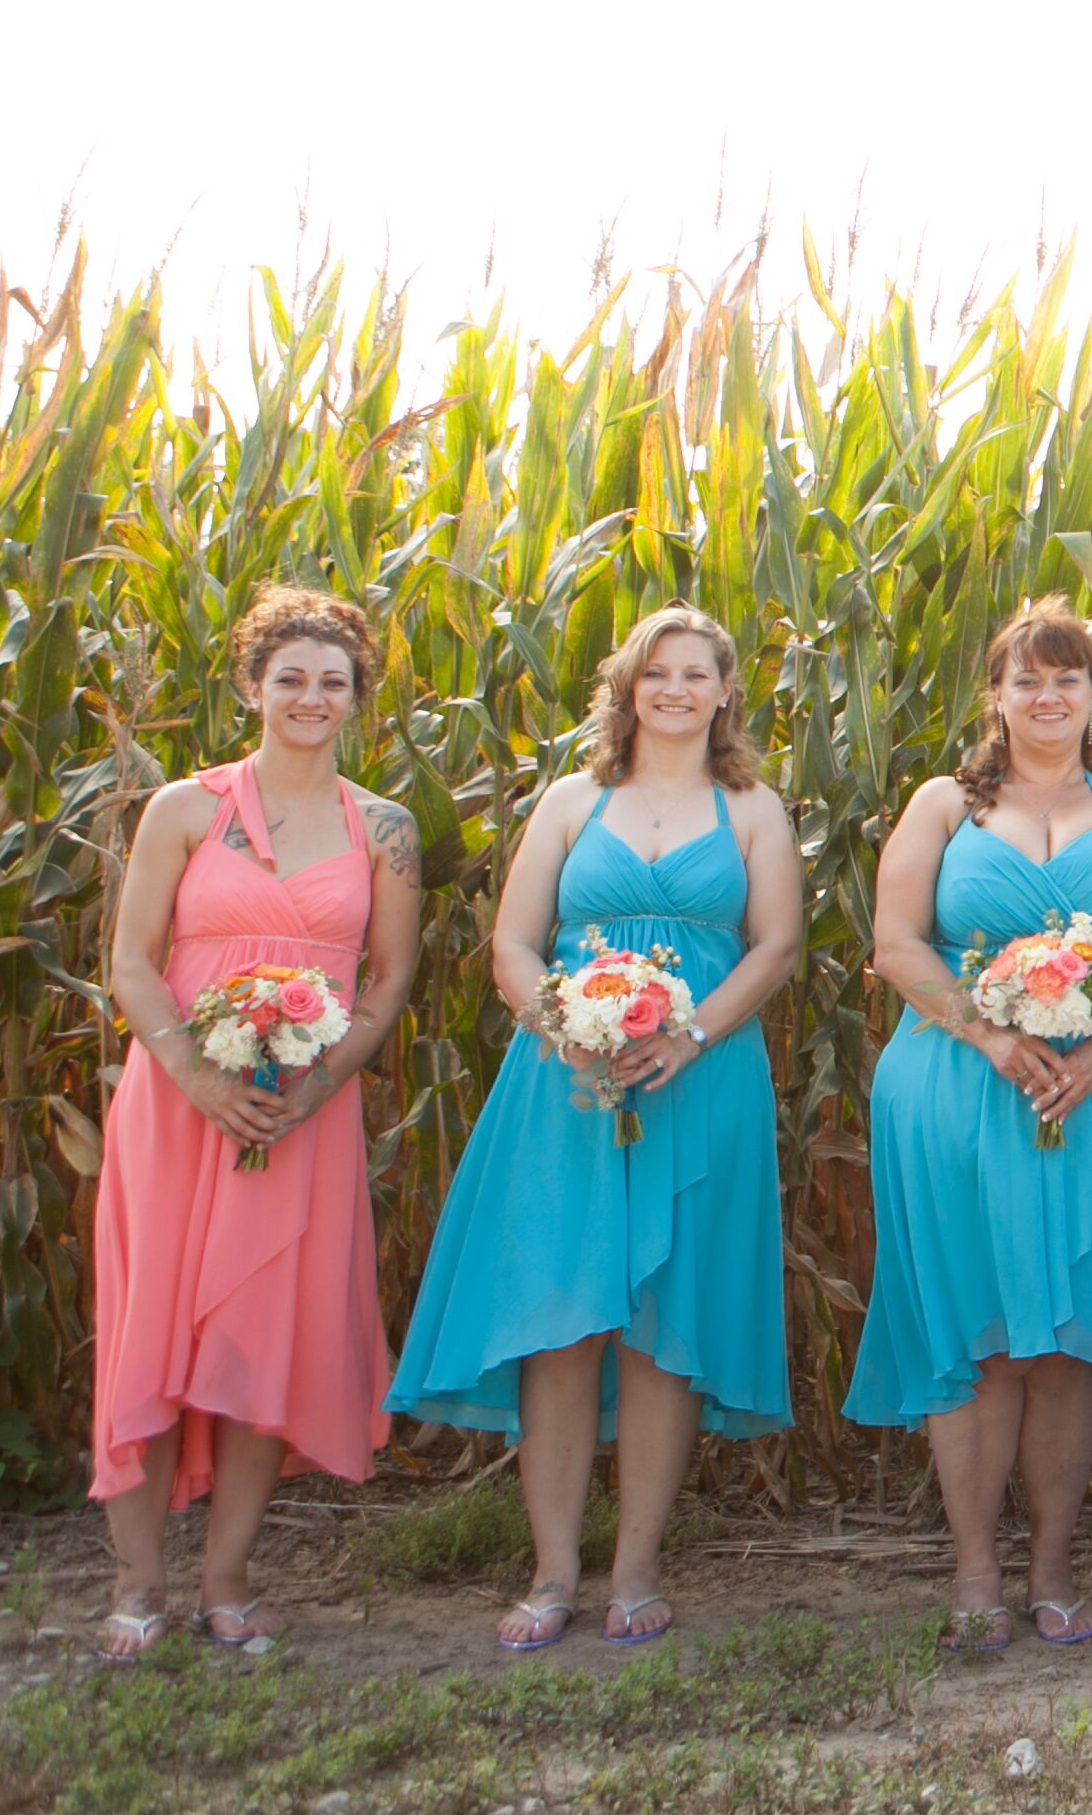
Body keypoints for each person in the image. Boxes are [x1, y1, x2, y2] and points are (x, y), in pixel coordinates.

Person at [389, 603, 804, 1650]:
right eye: (656, 671)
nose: (675, 689)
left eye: (696, 673)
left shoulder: (752, 808)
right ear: (629, 686)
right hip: (567, 1087)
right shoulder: (574, 800)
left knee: (667, 1326)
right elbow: (514, 945)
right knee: (562, 1321)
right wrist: (564, 1027)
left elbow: (776, 947)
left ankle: (635, 1570)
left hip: (697, 1080)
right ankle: (553, 1570)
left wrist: (690, 1037)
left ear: (724, 693)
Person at [845, 600, 1092, 1655]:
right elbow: (898, 943)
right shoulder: (943, 808)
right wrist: (990, 1039)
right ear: (995, 696)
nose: (1049, 698)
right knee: (982, 1337)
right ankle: (972, 1570)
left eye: (1070, 680)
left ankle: (1052, 1568)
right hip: (962, 1091)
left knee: (1074, 1343)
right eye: (1027, 680)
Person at [87, 586, 424, 1660]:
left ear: (357, 696)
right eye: (291, 679)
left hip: (299, 1115)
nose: (311, 698)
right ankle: (139, 1584)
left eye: (333, 681)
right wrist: (195, 1073)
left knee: (256, 1341)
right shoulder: (185, 809)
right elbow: (132, 962)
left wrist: (313, 1093)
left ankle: (226, 1581)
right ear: (253, 687)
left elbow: (385, 984)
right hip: (181, 1106)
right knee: (152, 1326)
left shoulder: (385, 829)